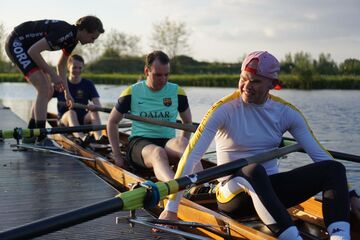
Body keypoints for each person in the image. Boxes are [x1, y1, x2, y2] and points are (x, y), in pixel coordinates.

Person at [160, 51, 360, 240]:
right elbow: (191, 157)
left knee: (334, 169)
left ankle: (340, 236)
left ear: (272, 84)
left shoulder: (286, 112)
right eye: (243, 79)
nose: (247, 86)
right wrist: (171, 208)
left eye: (255, 81)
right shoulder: (224, 109)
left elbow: (320, 155)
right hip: (232, 196)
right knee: (253, 170)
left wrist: (350, 195)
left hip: (272, 192)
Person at [4, 16, 104, 145]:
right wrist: (53, 75)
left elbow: (61, 66)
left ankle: (30, 134)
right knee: (44, 88)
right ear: (84, 30)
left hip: (28, 46)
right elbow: (33, 51)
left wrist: (67, 93)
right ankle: (41, 136)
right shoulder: (65, 33)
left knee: (48, 89)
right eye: (92, 38)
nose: (93, 42)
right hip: (16, 42)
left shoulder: (72, 39)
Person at [107, 50, 195, 182]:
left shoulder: (177, 92)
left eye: (166, 75)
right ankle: (177, 191)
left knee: (184, 143)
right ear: (147, 71)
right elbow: (112, 122)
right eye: (158, 75)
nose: (163, 79)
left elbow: (187, 123)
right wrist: (117, 155)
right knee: (158, 152)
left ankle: (200, 186)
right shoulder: (131, 92)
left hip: (167, 142)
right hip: (139, 143)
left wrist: (180, 159)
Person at [53, 54, 102, 143]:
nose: (77, 70)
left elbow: (98, 105)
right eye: (74, 67)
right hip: (65, 121)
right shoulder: (61, 83)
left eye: (80, 68)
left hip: (83, 120)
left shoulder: (88, 84)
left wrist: (93, 106)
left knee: (94, 111)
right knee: (72, 112)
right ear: (68, 67)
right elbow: (44, 99)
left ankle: (99, 138)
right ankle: (82, 138)